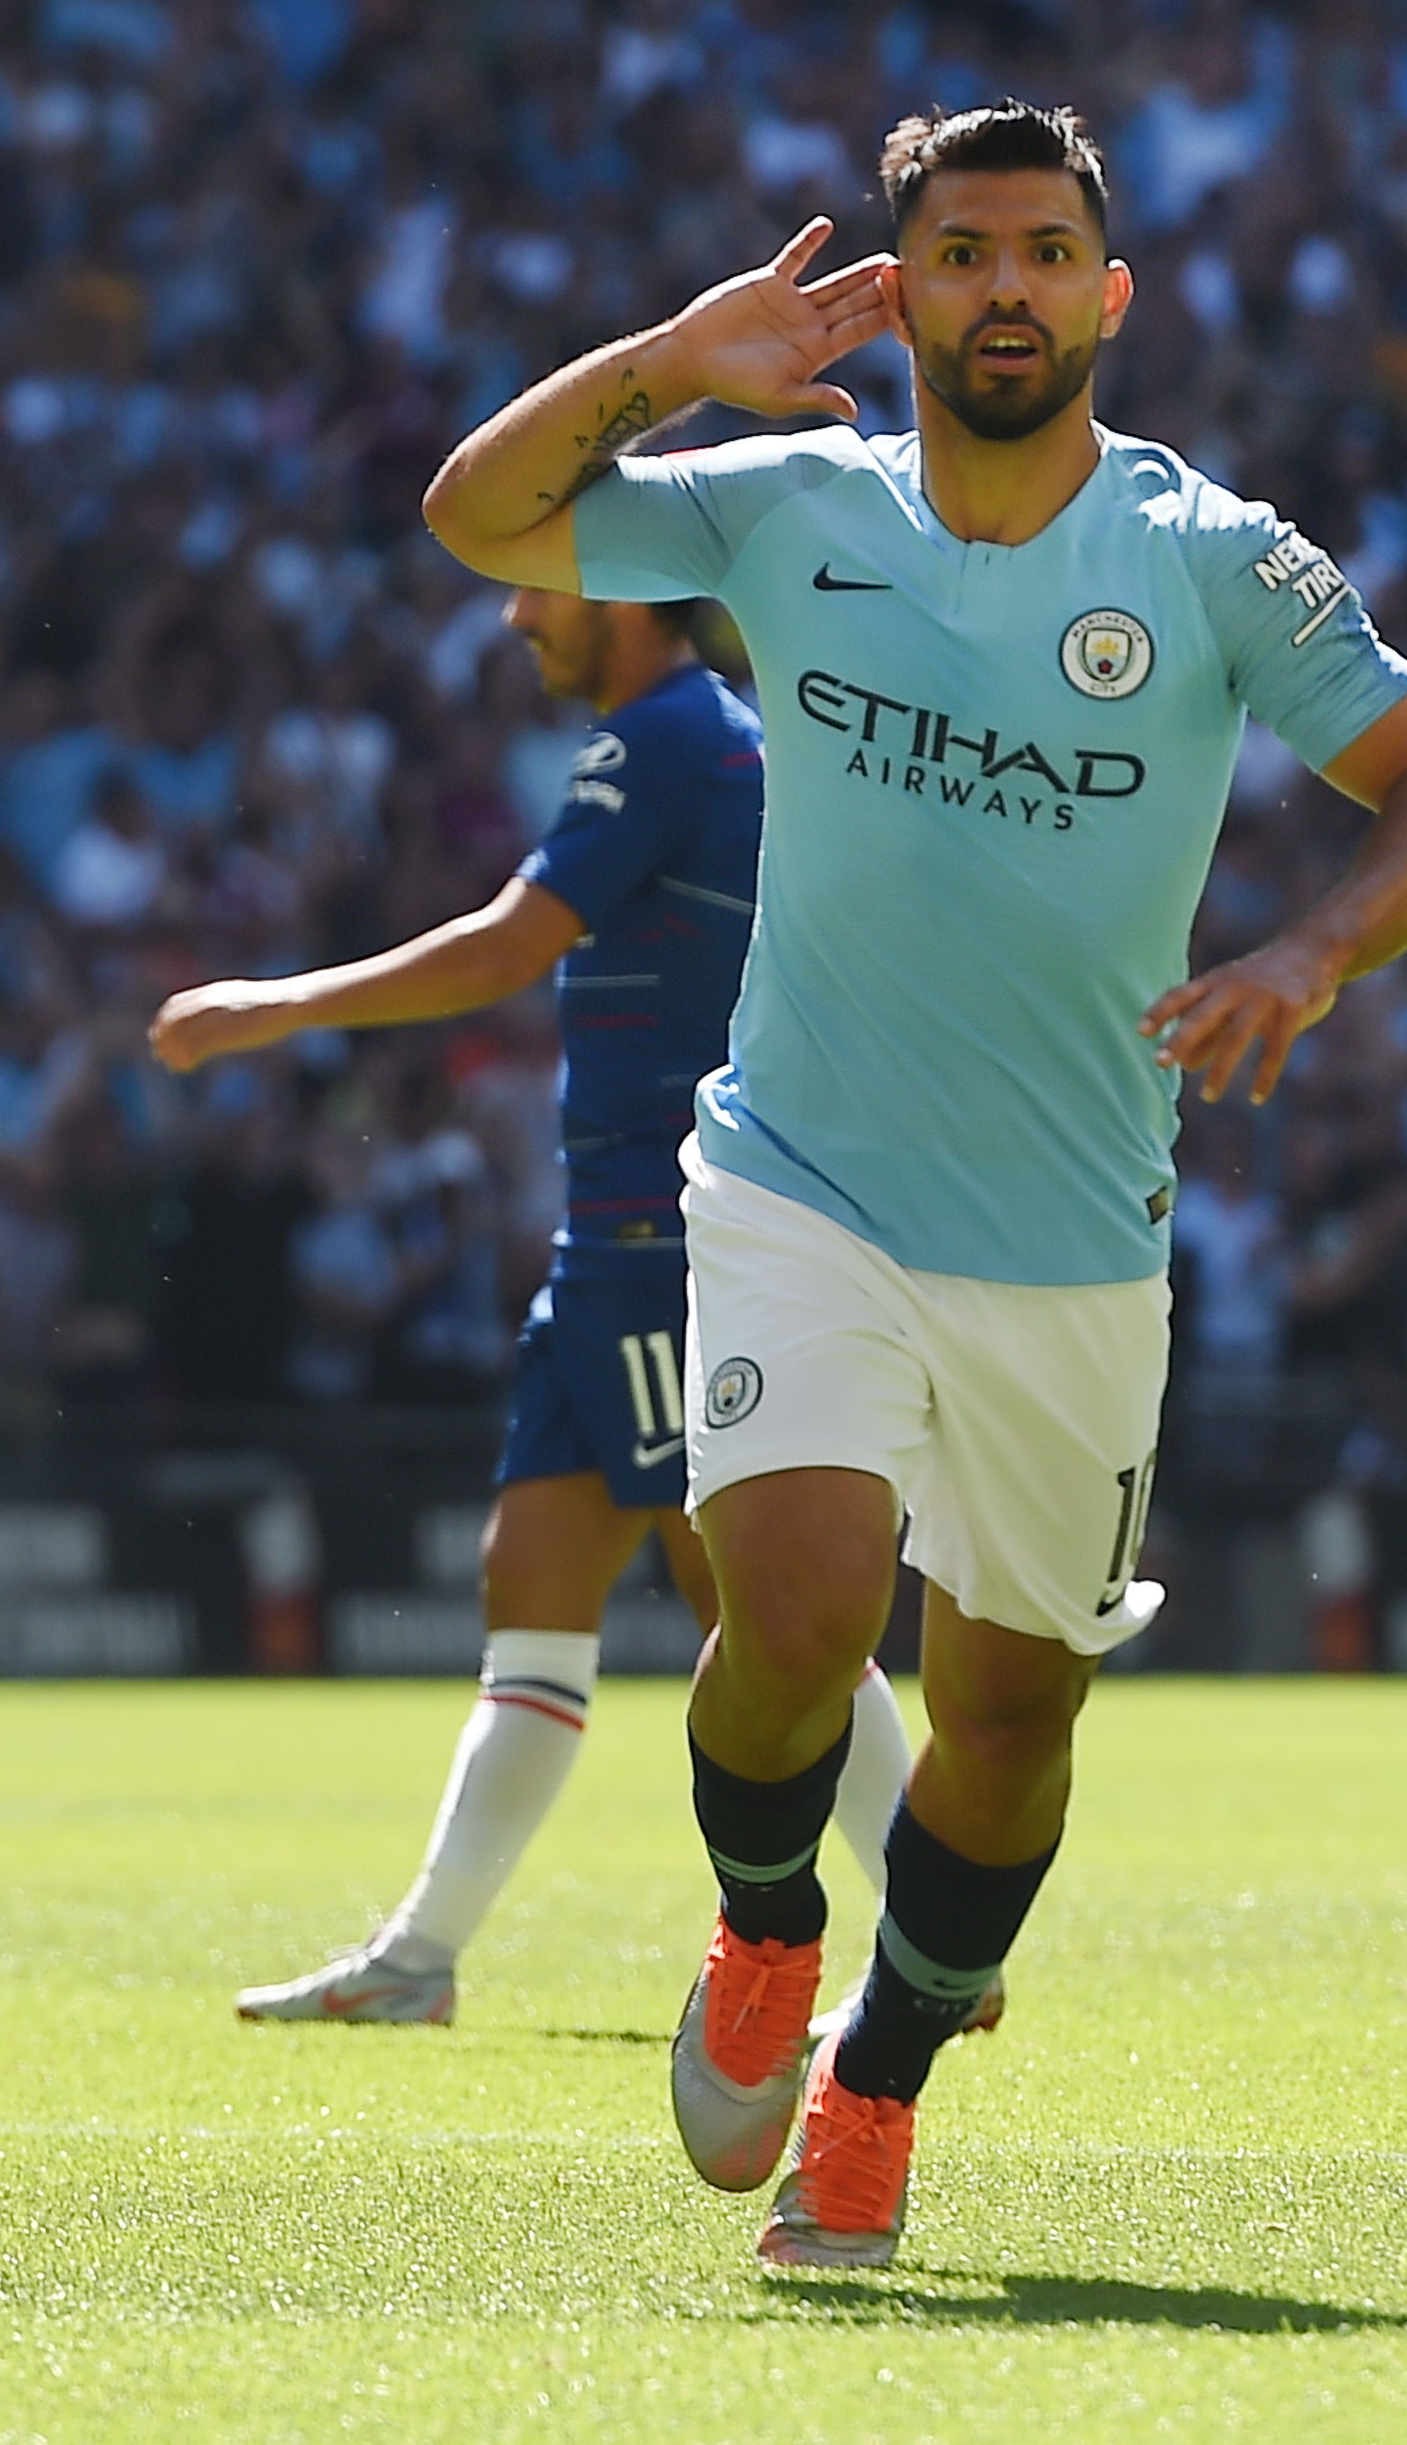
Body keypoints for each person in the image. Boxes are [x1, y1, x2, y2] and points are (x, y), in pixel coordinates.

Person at [422, 102, 1407, 2266]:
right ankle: (758, 1930)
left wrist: (1307, 948)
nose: (1001, 285)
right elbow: (479, 519)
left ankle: (881, 2076)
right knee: (798, 1620)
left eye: (1040, 251)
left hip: (1075, 1237)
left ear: (1108, 296)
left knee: (1013, 1710)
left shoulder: (1213, 557)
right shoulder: (785, 505)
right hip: (799, 1176)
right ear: (900, 291)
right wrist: (665, 357)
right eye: (961, 250)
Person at [153, 586, 920, 2026]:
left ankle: (936, 1944)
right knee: (534, 1577)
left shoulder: (667, 737)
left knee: (751, 1608)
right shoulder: (691, 734)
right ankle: (421, 1958)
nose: (516, 616)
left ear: (627, 595)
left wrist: (270, 1009)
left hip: (662, 1232)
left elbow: (512, 944)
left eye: (543, 581)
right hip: (606, 1242)